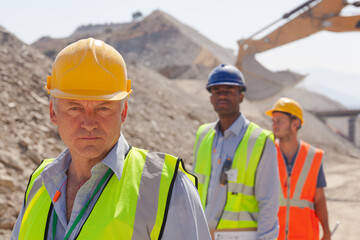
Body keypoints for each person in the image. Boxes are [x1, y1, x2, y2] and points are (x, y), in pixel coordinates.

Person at [11, 38, 211, 240]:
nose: (89, 123)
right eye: (75, 108)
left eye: (103, 108)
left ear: (123, 112)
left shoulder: (167, 186)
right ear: (53, 112)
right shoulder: (40, 183)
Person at [192, 64, 279, 239]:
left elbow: (268, 202)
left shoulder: (260, 141)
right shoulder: (203, 135)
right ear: (210, 98)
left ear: (241, 96)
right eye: (216, 90)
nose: (222, 95)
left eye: (229, 90)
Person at [265, 97, 331, 240]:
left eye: (279, 121)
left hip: (305, 235)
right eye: (273, 121)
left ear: (295, 124)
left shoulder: (314, 157)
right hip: (274, 235)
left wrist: (326, 231)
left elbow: (319, 198)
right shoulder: (267, 153)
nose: (274, 125)